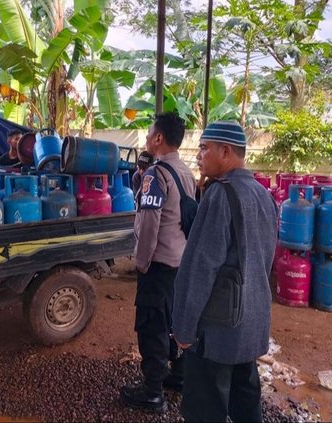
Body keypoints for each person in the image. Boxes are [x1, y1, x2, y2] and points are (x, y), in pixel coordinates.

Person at [172, 121, 278, 422]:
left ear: (226, 151)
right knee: (246, 403)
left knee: (205, 408)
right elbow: (264, 259)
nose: (198, 155)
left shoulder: (220, 195)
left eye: (205, 148)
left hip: (216, 330)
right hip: (251, 322)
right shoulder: (263, 195)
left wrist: (183, 327)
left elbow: (198, 269)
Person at [120, 112, 196, 413]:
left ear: (159, 138)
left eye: (150, 132)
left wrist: (141, 263)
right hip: (179, 262)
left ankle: (152, 393)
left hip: (159, 263)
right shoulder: (185, 172)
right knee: (175, 321)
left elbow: (150, 224)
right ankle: (177, 375)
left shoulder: (156, 174)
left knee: (152, 325)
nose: (148, 136)